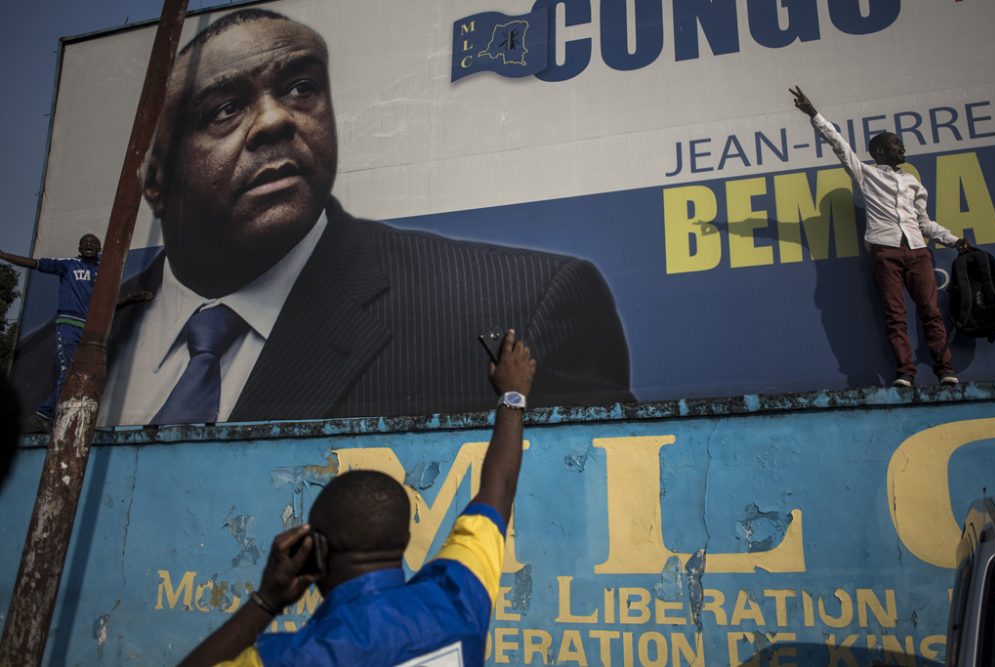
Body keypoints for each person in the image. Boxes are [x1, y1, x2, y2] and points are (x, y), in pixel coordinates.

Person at [8, 8, 632, 427]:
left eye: (302, 87)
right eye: (225, 109)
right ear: (155, 181)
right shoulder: (41, 367)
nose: (278, 120)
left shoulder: (520, 306)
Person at [179, 329, 535, 666]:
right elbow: (498, 490)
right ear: (404, 539)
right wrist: (513, 395)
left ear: (315, 550)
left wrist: (266, 600)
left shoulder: (297, 656)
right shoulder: (459, 597)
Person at [790, 86, 973, 388]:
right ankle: (906, 373)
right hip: (886, 253)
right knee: (895, 314)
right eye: (895, 145)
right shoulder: (866, 175)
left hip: (917, 251)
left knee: (930, 311)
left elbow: (924, 223)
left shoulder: (912, 182)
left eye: (900, 145)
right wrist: (814, 114)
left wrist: (954, 240)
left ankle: (945, 370)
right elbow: (838, 144)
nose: (902, 149)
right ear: (879, 152)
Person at [0, 234, 150, 431]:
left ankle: (59, 417)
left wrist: (130, 298)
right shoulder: (68, 265)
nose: (89, 245)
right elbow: (35, 263)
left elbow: (105, 305)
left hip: (90, 330)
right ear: (79, 248)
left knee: (82, 375)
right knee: (69, 373)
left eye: (93, 243)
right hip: (69, 325)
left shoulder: (103, 272)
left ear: (99, 249)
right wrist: (3, 255)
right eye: (85, 243)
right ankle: (43, 415)